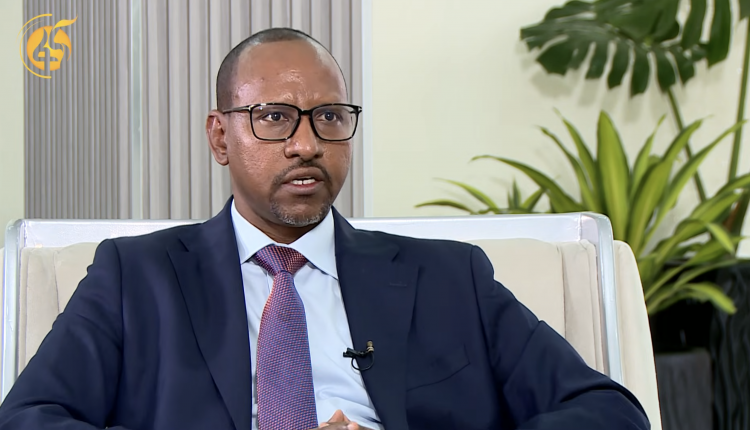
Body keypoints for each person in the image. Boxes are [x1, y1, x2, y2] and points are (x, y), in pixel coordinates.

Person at [0, 28, 650, 430]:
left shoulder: (450, 277)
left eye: (330, 117)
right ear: (220, 137)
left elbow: (608, 412)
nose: (307, 144)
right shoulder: (134, 276)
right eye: (274, 118)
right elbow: (29, 418)